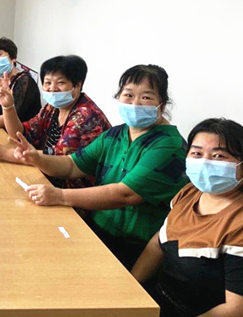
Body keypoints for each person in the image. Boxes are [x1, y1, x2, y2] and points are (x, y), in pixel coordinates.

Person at [11, 64, 188, 269]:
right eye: (128, 95)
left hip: (134, 247)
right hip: (98, 230)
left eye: (146, 97)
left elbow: (125, 194)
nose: (135, 103)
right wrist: (37, 159)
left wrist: (59, 196)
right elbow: (72, 165)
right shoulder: (116, 134)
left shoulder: (169, 145)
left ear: (162, 105)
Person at [132, 118, 243, 317]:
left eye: (218, 156)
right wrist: (129, 287)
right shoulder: (189, 193)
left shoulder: (239, 223)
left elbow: (236, 316)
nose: (205, 163)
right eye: (197, 153)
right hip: (161, 309)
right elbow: (158, 243)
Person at [0, 55, 111, 197]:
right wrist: (8, 106)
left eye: (60, 83)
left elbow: (59, 161)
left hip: (77, 196)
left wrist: (4, 153)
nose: (52, 89)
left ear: (77, 86)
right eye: (47, 82)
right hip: (49, 180)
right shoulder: (53, 107)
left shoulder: (85, 116)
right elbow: (21, 135)